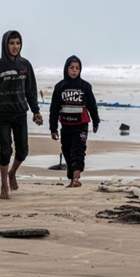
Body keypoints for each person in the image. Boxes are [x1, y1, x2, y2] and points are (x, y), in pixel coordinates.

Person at [0, 30, 43, 199]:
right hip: (3, 114)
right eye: (11, 43)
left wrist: (36, 111)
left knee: (23, 151)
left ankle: (12, 172)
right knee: (5, 149)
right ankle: (3, 185)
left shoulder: (25, 65)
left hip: (21, 114)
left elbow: (31, 91)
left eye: (18, 43)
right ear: (5, 44)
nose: (15, 46)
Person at [49, 55, 100, 187]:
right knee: (66, 150)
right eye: (71, 68)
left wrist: (96, 121)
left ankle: (76, 179)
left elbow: (92, 106)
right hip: (66, 125)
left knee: (78, 151)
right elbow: (54, 109)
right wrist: (53, 128)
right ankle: (72, 177)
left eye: (77, 68)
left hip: (81, 125)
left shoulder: (85, 86)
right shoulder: (60, 87)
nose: (74, 71)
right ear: (66, 68)